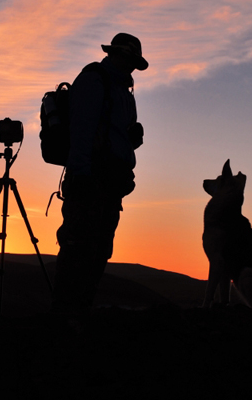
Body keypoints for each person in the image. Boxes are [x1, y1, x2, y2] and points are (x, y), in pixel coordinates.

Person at [51, 33, 147, 314]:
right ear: (117, 54)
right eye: (129, 60)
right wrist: (81, 176)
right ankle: (65, 316)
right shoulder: (94, 81)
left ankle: (79, 313)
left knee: (100, 250)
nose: (131, 67)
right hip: (90, 178)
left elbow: (118, 136)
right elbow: (82, 129)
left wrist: (132, 139)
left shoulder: (124, 92)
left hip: (112, 182)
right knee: (78, 248)